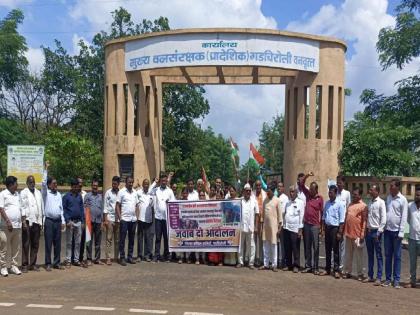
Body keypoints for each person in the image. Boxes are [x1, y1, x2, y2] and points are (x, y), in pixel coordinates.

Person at [382, 179, 408, 289]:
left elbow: (404, 216)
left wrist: (401, 232)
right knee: (388, 256)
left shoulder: (403, 200)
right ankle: (388, 279)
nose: (390, 187)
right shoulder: (388, 198)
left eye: (392, 186)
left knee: (397, 257)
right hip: (387, 231)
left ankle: (396, 280)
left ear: (397, 187)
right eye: (390, 186)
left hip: (397, 232)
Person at [0, 176, 26, 276]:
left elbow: (21, 209)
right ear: (11, 184)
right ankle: (3, 267)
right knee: (4, 247)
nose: (17, 185)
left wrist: (23, 222)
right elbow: (1, 209)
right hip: (6, 227)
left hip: (17, 226)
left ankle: (13, 266)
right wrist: (8, 221)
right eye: (16, 183)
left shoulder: (17, 195)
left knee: (16, 248)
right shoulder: (3, 194)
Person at [42, 161, 65, 271]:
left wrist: (63, 221)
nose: (56, 185)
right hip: (49, 221)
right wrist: (46, 169)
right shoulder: (45, 193)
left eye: (56, 183)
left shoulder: (59, 194)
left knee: (57, 243)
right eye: (54, 183)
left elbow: (61, 209)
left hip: (58, 221)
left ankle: (57, 262)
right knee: (48, 243)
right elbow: (43, 183)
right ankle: (48, 263)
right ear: (49, 184)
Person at [299, 174, 324, 275]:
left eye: (312, 189)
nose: (310, 191)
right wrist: (307, 175)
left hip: (315, 226)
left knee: (316, 247)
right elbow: (301, 184)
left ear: (316, 190)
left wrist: (322, 228)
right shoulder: (308, 196)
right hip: (306, 225)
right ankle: (308, 266)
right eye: (310, 189)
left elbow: (322, 214)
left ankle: (316, 267)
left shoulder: (320, 198)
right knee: (307, 246)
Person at [342, 188, 368, 281]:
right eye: (353, 194)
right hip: (348, 233)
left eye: (355, 194)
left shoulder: (363, 206)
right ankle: (347, 272)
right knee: (348, 255)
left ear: (360, 195)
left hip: (357, 235)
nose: (354, 196)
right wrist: (343, 231)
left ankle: (360, 273)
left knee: (359, 256)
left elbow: (364, 221)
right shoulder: (350, 205)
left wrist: (362, 234)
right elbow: (346, 218)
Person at [320, 185, 345, 278]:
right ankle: (327, 269)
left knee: (336, 250)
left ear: (335, 193)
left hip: (335, 229)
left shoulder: (339, 204)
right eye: (329, 192)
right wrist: (322, 230)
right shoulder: (327, 203)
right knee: (327, 249)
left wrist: (339, 232)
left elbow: (342, 220)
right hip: (327, 228)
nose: (329, 194)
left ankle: (336, 270)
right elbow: (323, 217)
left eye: (331, 192)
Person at [20, 175, 43, 272]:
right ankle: (25, 265)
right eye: (30, 182)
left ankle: (32, 264)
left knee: (35, 244)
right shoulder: (23, 192)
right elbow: (22, 207)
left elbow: (41, 207)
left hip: (37, 221)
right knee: (26, 243)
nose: (32, 184)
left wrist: (41, 222)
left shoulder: (38, 192)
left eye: (33, 182)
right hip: (28, 221)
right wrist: (24, 222)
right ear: (27, 183)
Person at [364, 184, 386, 285]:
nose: (370, 191)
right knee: (370, 254)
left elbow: (383, 219)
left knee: (378, 255)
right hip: (369, 231)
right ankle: (370, 275)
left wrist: (379, 232)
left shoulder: (381, 203)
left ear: (377, 191)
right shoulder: (370, 202)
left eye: (371, 190)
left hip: (377, 232)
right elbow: (368, 217)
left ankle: (379, 277)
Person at [116, 176, 139, 266]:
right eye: (129, 182)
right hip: (124, 219)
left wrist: (137, 217)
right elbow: (117, 205)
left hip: (133, 220)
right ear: (126, 182)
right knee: (122, 239)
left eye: (132, 182)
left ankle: (129, 257)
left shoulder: (135, 192)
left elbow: (137, 205)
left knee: (132, 239)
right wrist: (120, 217)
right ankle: (122, 258)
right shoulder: (121, 192)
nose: (130, 184)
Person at [260, 185, 282, 272]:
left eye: (269, 191)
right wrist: (261, 227)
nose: (267, 193)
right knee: (265, 246)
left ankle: (274, 265)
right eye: (267, 191)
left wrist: (280, 228)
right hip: (266, 227)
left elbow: (280, 216)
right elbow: (263, 215)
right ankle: (266, 264)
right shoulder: (265, 200)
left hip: (274, 228)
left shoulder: (277, 200)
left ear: (273, 191)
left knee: (273, 246)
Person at [63, 179, 84, 268]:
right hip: (70, 222)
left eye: (77, 187)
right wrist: (67, 221)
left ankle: (76, 260)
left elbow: (82, 209)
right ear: (71, 187)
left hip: (78, 222)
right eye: (74, 187)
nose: (76, 188)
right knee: (69, 242)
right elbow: (64, 210)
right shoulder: (66, 196)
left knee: (78, 242)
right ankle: (68, 260)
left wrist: (82, 221)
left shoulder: (79, 196)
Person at [153, 174, 175, 262]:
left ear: (167, 181)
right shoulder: (156, 190)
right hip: (158, 217)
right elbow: (149, 191)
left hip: (167, 218)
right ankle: (156, 255)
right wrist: (155, 182)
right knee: (158, 237)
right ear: (160, 181)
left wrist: (169, 202)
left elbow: (174, 202)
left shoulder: (170, 191)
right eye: (162, 180)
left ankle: (166, 255)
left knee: (166, 238)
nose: (164, 182)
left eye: (165, 181)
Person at [283, 185, 304, 273]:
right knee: (287, 247)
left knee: (295, 248)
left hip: (295, 229)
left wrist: (300, 229)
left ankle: (296, 265)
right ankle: (289, 265)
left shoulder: (300, 203)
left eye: (293, 192)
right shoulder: (287, 203)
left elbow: (301, 216)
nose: (291, 193)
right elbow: (285, 215)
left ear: (296, 192)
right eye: (290, 192)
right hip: (287, 228)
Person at [237, 183, 258, 269]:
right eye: (246, 191)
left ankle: (251, 263)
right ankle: (240, 262)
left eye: (249, 190)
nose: (248, 192)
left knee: (252, 245)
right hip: (241, 227)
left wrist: (256, 226)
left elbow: (257, 214)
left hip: (251, 227)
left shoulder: (254, 201)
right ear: (244, 191)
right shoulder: (240, 201)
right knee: (240, 245)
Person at [137, 178, 157, 262]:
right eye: (144, 184)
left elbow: (153, 205)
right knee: (140, 238)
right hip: (140, 219)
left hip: (149, 219)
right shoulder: (138, 193)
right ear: (142, 185)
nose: (146, 185)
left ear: (149, 185)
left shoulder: (151, 194)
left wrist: (156, 181)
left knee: (147, 238)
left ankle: (146, 255)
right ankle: (139, 255)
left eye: (147, 184)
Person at [85, 179, 104, 265]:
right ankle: (89, 259)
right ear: (91, 186)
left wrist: (103, 221)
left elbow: (103, 209)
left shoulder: (100, 197)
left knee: (98, 241)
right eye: (94, 185)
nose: (95, 187)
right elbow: (84, 208)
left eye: (96, 186)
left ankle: (97, 259)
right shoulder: (87, 196)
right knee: (89, 241)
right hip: (89, 221)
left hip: (98, 221)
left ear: (98, 187)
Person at [404, 189, 420, 289]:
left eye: (419, 195)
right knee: (413, 261)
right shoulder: (410, 206)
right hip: (412, 238)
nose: (417, 197)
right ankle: (412, 281)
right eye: (416, 195)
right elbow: (407, 220)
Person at [104, 176, 120, 265]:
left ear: (118, 184)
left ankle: (116, 257)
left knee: (117, 240)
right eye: (113, 183)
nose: (114, 185)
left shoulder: (121, 193)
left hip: (118, 220)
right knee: (109, 239)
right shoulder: (108, 193)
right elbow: (105, 207)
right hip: (110, 219)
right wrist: (106, 220)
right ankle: (108, 258)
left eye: (115, 184)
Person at [336, 175, 351, 271]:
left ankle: (341, 267)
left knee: (342, 246)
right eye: (337, 182)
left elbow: (348, 207)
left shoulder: (347, 194)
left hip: (343, 222)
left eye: (340, 182)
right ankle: (335, 265)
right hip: (334, 222)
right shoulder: (334, 192)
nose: (338, 184)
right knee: (334, 245)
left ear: (343, 183)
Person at [254, 179, 267, 267]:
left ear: (261, 186)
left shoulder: (265, 194)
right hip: (254, 220)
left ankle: (262, 259)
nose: (258, 187)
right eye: (257, 185)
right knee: (254, 241)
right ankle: (255, 259)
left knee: (262, 241)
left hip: (262, 221)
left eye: (259, 185)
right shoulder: (252, 194)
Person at [276, 182, 289, 269]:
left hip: (282, 224)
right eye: (278, 187)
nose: (279, 188)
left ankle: (283, 261)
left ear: (283, 188)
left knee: (283, 244)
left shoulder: (285, 198)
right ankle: (276, 261)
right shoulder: (276, 197)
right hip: (275, 224)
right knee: (276, 243)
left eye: (280, 186)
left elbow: (283, 212)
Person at [76, 177, 88, 267]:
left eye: (81, 183)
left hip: (84, 220)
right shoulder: (73, 194)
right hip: (75, 220)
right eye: (79, 182)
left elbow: (87, 207)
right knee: (75, 241)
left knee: (83, 240)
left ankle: (80, 258)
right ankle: (73, 259)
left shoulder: (85, 194)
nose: (80, 184)